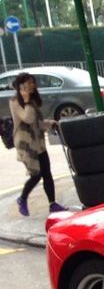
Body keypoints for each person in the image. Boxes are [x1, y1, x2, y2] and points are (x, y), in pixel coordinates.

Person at [10, 73, 65, 216]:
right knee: (36, 175)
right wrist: (26, 100)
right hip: (27, 145)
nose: (32, 85)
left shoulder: (32, 101)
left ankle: (53, 204)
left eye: (33, 82)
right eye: (28, 83)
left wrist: (49, 123)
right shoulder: (15, 102)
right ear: (21, 86)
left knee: (47, 173)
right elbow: (27, 118)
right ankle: (22, 199)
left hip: (38, 143)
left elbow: (37, 123)